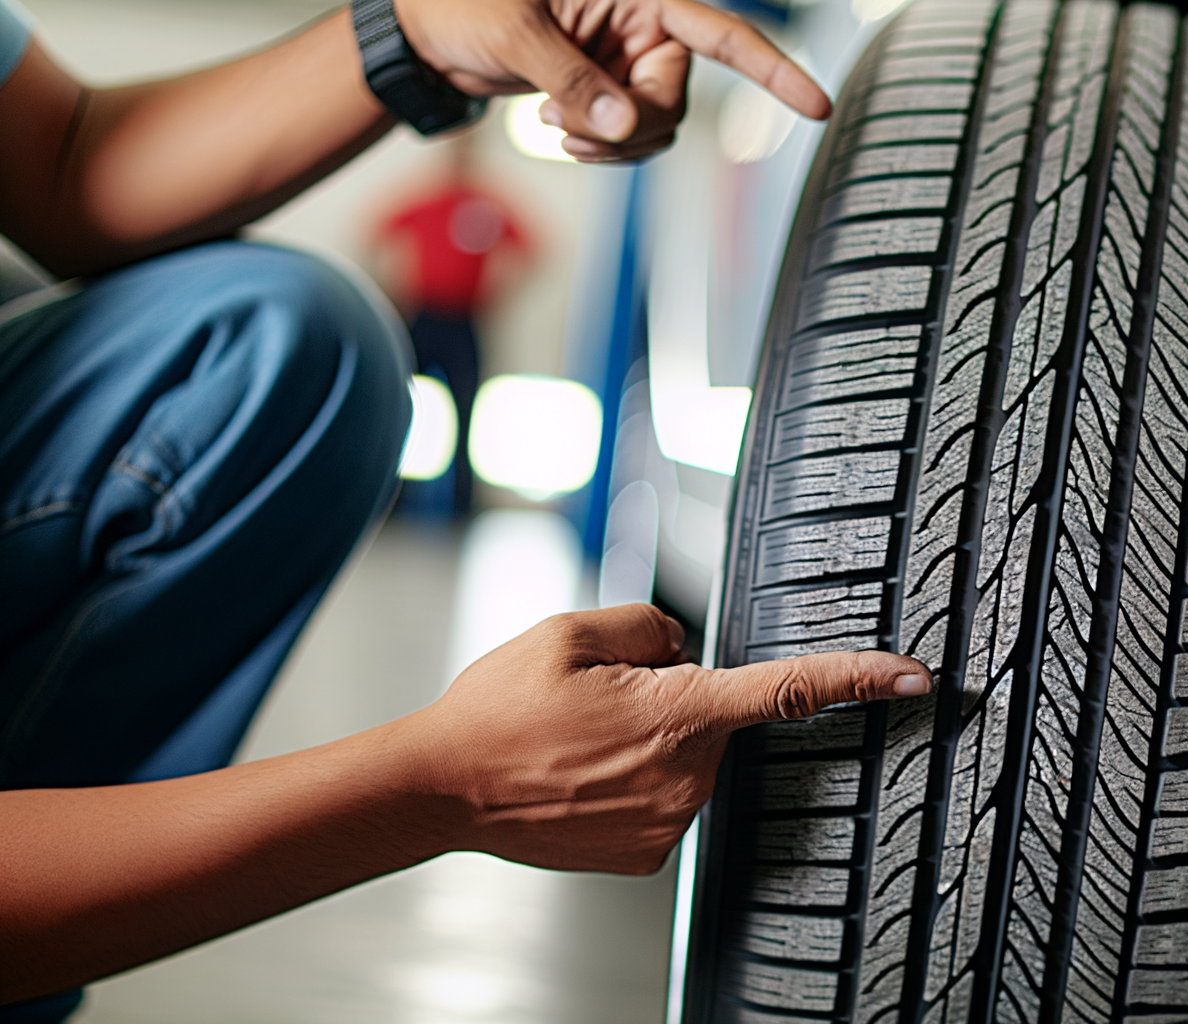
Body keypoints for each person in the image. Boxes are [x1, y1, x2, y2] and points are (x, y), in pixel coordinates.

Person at [0, 0, 930, 1018]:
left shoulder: (486, 210)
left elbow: (68, 161)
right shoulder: (436, 213)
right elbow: (389, 234)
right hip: (436, 307)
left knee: (277, 347)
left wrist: (415, 32)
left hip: (461, 321)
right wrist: (440, 785)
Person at [374, 134, 533, 516]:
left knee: (466, 409)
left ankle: (460, 506)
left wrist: (500, 293)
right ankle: (395, 500)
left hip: (464, 321)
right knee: (406, 406)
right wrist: (396, 287)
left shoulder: (487, 206)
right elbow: (379, 233)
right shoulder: (428, 200)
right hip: (424, 316)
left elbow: (531, 249)